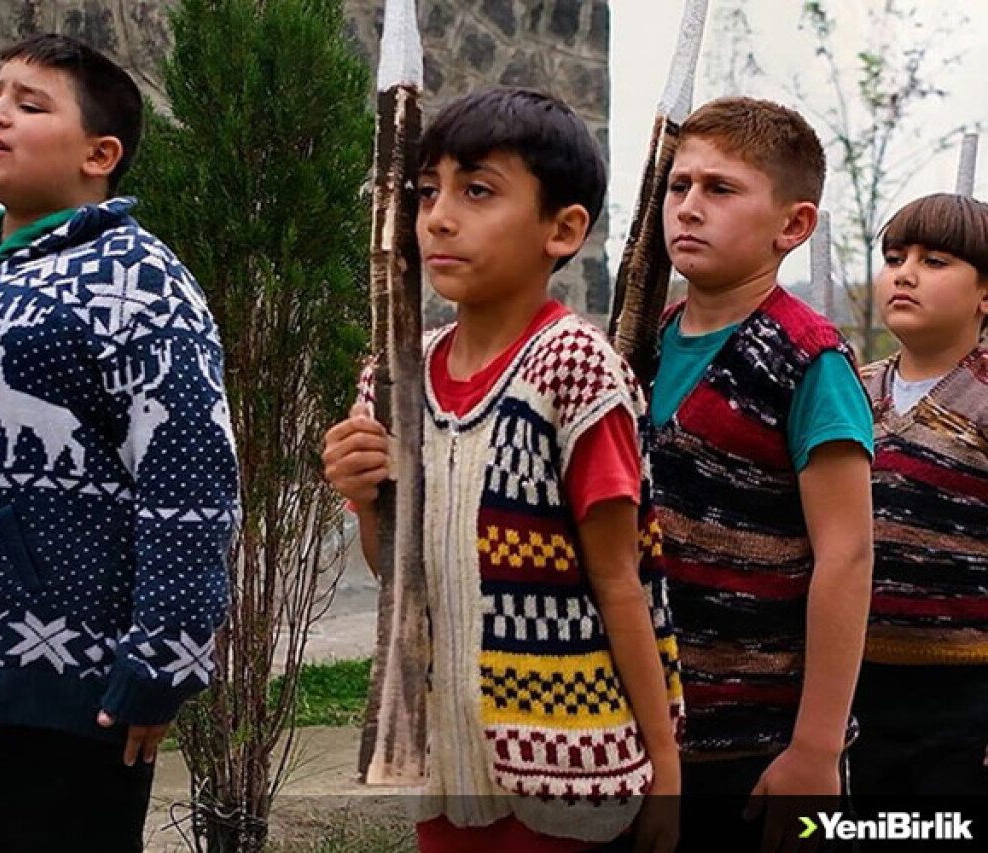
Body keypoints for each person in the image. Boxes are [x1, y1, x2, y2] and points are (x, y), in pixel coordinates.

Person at [0, 33, 239, 853]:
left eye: (30, 105)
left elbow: (190, 486)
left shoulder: (141, 284)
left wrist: (163, 662)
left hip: (80, 693)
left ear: (99, 154)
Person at [324, 88, 683, 853]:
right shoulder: (394, 375)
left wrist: (667, 769)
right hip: (442, 761)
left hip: (566, 768)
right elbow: (398, 575)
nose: (439, 217)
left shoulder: (577, 370)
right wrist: (365, 501)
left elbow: (621, 579)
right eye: (428, 193)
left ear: (564, 229)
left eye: (477, 190)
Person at [648, 96, 874, 849]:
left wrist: (814, 748)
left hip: (756, 745)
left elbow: (847, 554)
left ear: (793, 225)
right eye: (678, 186)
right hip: (641, 731)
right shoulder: (636, 345)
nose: (687, 208)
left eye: (720, 189)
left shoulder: (810, 357)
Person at [851, 193, 988, 797]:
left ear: (986, 294)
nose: (905, 273)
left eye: (936, 261)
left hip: (963, 702)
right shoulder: (851, 392)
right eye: (894, 257)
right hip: (852, 690)